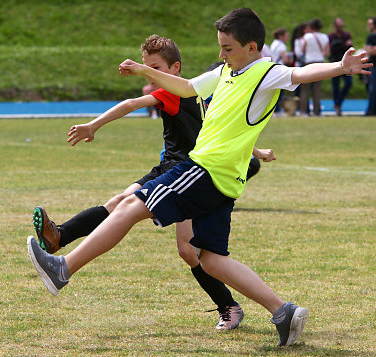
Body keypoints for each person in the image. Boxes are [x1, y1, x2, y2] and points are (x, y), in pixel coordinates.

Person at [27, 8, 371, 347]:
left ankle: (63, 269)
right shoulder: (226, 72)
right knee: (210, 259)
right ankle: (283, 311)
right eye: (220, 46)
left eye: (228, 48)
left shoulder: (266, 72)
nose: (221, 54)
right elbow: (188, 87)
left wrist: (341, 67)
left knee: (130, 206)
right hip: (225, 180)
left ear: (252, 47)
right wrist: (144, 69)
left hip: (204, 170)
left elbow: (301, 74)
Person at [33, 34, 276, 331]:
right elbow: (218, 130)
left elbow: (132, 103)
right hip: (167, 169)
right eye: (147, 67)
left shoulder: (176, 92)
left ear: (175, 68)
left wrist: (93, 125)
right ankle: (59, 236)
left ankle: (228, 306)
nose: (151, 75)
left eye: (156, 67)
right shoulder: (201, 92)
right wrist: (258, 151)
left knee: (188, 250)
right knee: (119, 203)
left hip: (192, 176)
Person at [300, 18, 330, 116]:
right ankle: (316, 111)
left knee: (305, 88)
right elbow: (327, 52)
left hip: (309, 62)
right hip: (320, 63)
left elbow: (303, 49)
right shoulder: (325, 37)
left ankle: (303, 111)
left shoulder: (307, 36)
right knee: (317, 89)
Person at [328, 18, 353, 116]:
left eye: (341, 25)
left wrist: (340, 45)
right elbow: (332, 48)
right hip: (335, 62)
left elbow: (350, 47)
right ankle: (337, 107)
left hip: (346, 63)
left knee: (348, 83)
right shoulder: (331, 36)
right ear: (334, 26)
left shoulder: (346, 34)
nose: (340, 28)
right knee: (335, 86)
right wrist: (343, 44)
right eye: (338, 26)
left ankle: (338, 103)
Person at [270, 27, 293, 115]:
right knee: (280, 91)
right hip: (280, 69)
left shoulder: (274, 43)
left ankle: (274, 110)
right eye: (286, 36)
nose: (287, 38)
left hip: (273, 68)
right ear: (281, 36)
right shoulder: (282, 46)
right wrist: (290, 59)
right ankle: (277, 110)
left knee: (275, 91)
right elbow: (286, 60)